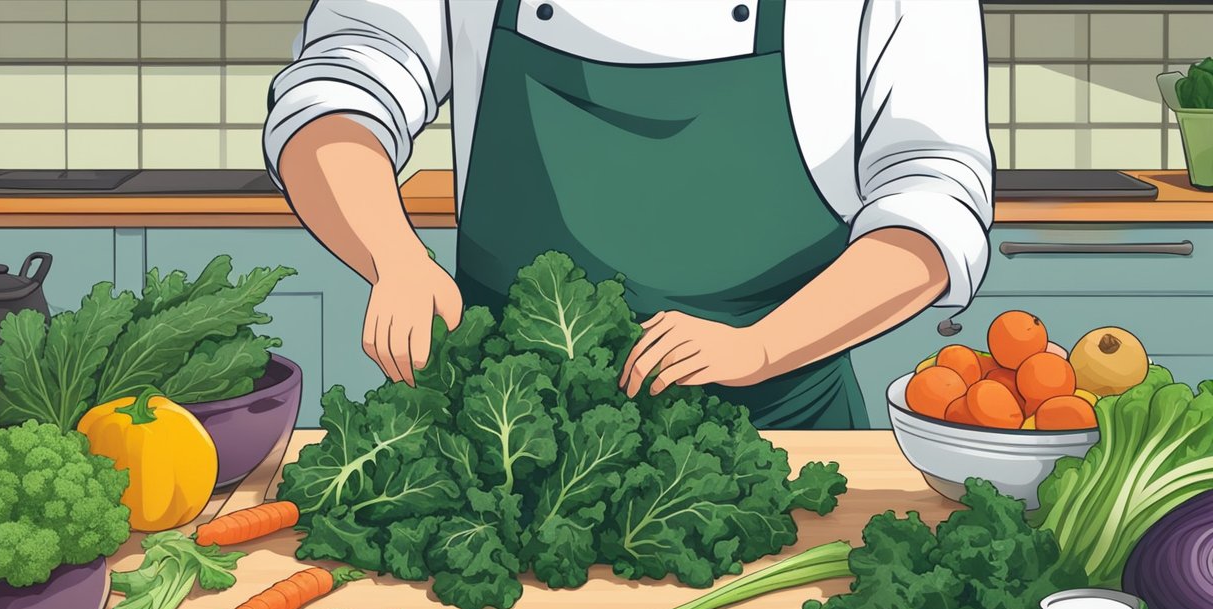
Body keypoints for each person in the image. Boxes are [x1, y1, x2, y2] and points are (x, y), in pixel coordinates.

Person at [264, 0, 994, 428]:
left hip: (783, 441)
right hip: (502, 434)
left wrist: (762, 347)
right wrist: (392, 255)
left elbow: (933, 199)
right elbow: (339, 87)